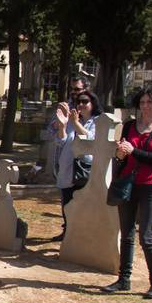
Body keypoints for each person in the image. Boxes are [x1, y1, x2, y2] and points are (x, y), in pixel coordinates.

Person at [103, 84, 152, 299]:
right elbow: (121, 157)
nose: (145, 106)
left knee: (147, 236)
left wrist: (135, 151)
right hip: (128, 183)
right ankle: (124, 280)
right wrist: (121, 154)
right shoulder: (129, 125)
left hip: (150, 185)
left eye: (149, 102)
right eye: (142, 102)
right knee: (126, 234)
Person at [47, 89, 98, 239]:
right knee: (67, 203)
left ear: (93, 103)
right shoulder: (72, 119)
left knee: (83, 204)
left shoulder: (97, 121)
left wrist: (75, 123)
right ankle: (67, 231)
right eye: (79, 102)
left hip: (85, 169)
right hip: (68, 166)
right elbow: (60, 141)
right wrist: (63, 126)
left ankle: (81, 235)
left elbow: (90, 140)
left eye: (85, 101)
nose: (81, 104)